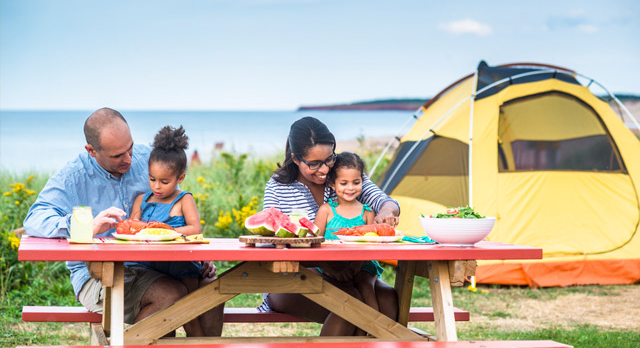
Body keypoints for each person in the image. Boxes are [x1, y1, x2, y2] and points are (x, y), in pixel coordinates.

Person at [23, 108, 223, 336]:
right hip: (97, 275)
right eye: (117, 156)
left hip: (158, 262)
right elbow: (34, 219)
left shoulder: (146, 157)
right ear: (91, 151)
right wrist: (84, 225)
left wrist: (194, 250)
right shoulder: (72, 177)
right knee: (169, 293)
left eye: (130, 148)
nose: (129, 159)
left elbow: (179, 203)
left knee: (211, 286)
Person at [260, 116, 400, 336]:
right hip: (292, 278)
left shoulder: (344, 175)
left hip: (349, 274)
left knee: (388, 298)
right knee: (350, 303)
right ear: (295, 159)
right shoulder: (278, 187)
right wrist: (326, 264)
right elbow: (272, 239)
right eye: (314, 164)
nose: (324, 170)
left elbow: (386, 202)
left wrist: (385, 213)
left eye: (329, 159)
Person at [129, 125, 210, 336]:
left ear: (180, 178)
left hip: (181, 265)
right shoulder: (142, 200)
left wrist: (166, 230)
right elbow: (131, 228)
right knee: (166, 318)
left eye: (165, 181)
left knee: (189, 314)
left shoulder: (184, 199)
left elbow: (194, 228)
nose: (157, 186)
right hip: (149, 266)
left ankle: (199, 344)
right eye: (152, 179)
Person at [314, 152, 384, 332]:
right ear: (332, 183)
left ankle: (370, 334)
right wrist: (332, 268)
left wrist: (356, 264)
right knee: (346, 296)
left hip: (363, 265)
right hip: (330, 266)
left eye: (356, 182)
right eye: (343, 183)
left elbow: (372, 245)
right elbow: (314, 242)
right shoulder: (326, 211)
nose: (350, 188)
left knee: (366, 287)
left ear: (362, 181)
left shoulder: (368, 212)